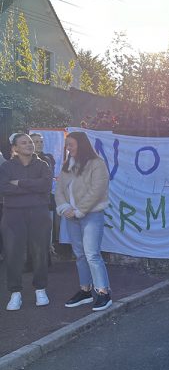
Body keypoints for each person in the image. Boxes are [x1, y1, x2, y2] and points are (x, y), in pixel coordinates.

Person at [55, 132, 113, 311]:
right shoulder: (67, 164)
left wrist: (79, 210)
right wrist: (65, 208)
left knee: (92, 254)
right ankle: (85, 290)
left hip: (91, 215)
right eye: (67, 145)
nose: (68, 148)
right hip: (71, 216)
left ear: (81, 144)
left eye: (71, 144)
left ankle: (103, 292)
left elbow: (97, 190)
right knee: (79, 254)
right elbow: (59, 189)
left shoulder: (97, 164)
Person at [0, 133, 52, 310]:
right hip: (13, 214)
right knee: (13, 253)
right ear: (14, 148)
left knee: (40, 252)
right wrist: (32, 186)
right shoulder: (6, 167)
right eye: (24, 143)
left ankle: (40, 289)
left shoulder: (43, 165)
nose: (29, 145)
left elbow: (45, 186)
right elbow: (3, 188)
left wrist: (19, 183)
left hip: (39, 213)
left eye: (30, 142)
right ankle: (15, 293)